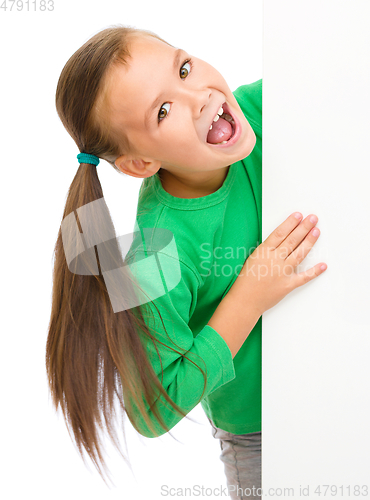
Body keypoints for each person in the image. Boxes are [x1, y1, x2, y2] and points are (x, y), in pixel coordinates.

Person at [46, 25, 327, 497]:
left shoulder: (260, 106)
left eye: (183, 67)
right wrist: (247, 298)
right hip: (261, 437)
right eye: (162, 110)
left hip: (336, 384)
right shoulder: (154, 252)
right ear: (139, 164)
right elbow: (151, 409)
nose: (198, 95)